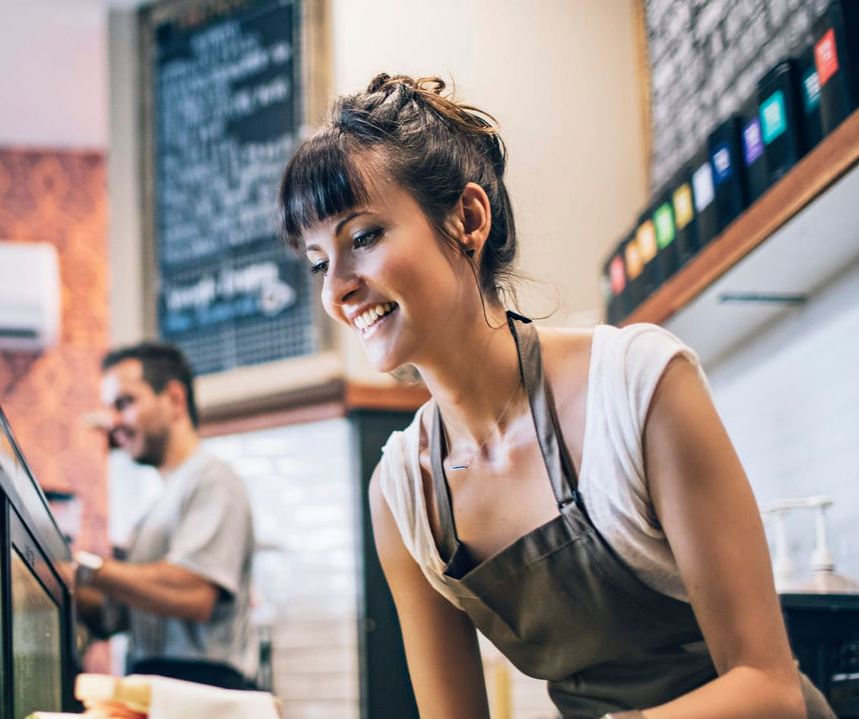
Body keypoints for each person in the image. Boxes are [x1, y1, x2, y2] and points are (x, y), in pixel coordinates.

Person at [276, 73, 832, 718]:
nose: (337, 288)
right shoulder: (403, 495)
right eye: (319, 261)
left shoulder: (635, 386)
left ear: (468, 218)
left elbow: (770, 690)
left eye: (363, 237)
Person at [68, 341, 257, 690]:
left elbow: (193, 593)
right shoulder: (152, 508)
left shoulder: (213, 478)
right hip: (155, 682)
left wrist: (88, 568)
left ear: (174, 399)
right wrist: (52, 577)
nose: (113, 422)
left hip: (204, 689)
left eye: (124, 403)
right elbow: (115, 615)